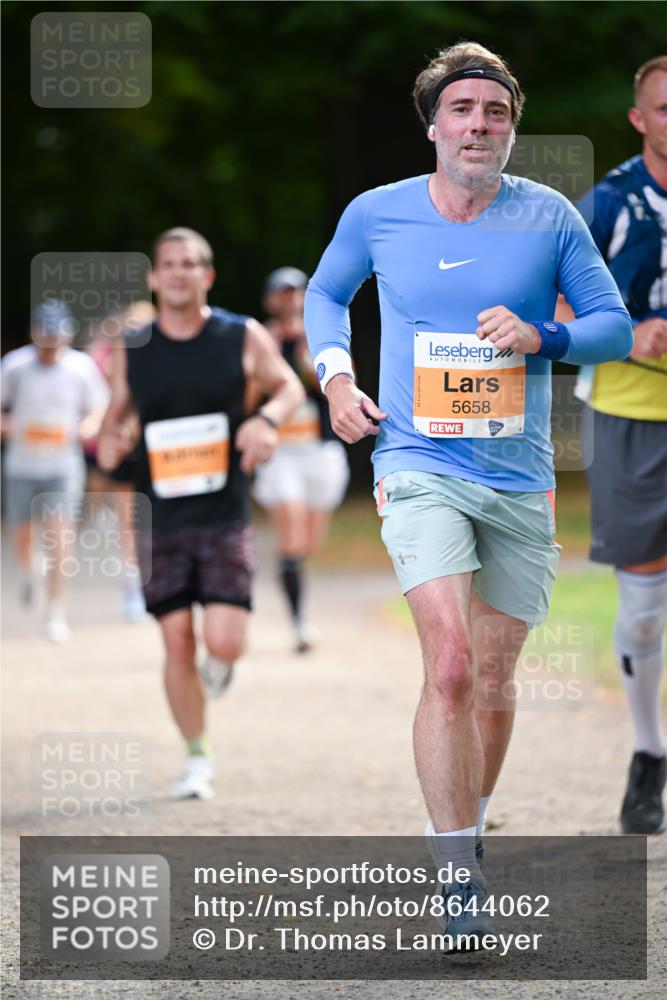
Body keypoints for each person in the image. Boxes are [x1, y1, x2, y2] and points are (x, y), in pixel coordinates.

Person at [305, 41, 633, 941]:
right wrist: (336, 380)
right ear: (432, 125)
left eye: (494, 112)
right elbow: (326, 296)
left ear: (510, 127)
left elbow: (611, 327)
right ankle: (456, 880)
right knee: (447, 664)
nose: (478, 125)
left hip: (517, 477)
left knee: (491, 676)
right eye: (462, 110)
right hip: (415, 463)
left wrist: (541, 337)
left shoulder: (551, 218)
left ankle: (468, 828)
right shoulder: (378, 214)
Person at [98, 227, 304, 801]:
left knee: (225, 641)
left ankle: (224, 667)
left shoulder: (240, 335)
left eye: (191, 263)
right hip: (160, 517)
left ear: (207, 275)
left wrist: (265, 420)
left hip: (224, 514)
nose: (180, 272)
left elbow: (287, 388)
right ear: (155, 277)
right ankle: (196, 756)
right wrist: (108, 443)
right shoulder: (134, 348)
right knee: (177, 642)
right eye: (169, 263)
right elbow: (114, 420)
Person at [563, 56, 667, 835]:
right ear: (638, 118)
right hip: (632, 414)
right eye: (663, 109)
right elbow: (555, 294)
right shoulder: (609, 201)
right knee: (640, 614)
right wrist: (627, 335)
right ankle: (646, 751)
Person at [1, 300, 110, 642]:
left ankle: (55, 610)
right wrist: (9, 427)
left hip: (63, 465)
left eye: (56, 335)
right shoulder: (15, 366)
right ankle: (31, 570)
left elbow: (99, 405)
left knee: (60, 535)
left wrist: (89, 425)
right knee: (21, 535)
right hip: (21, 463)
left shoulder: (80, 367)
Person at [253, 267, 349, 652]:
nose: (290, 299)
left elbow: (340, 391)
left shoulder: (325, 336)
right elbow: (245, 398)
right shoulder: (258, 340)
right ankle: (298, 625)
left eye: (297, 292)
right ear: (271, 300)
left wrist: (308, 358)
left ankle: (291, 579)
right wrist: (268, 360)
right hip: (278, 454)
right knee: (292, 536)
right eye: (283, 293)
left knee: (306, 544)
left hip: (319, 451)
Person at [85, 300, 156, 623]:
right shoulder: (110, 358)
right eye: (130, 324)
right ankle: (134, 585)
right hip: (123, 446)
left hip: (159, 447)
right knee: (129, 517)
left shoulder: (163, 356)